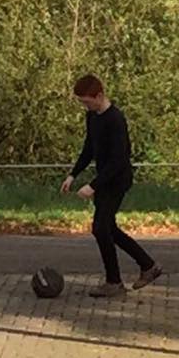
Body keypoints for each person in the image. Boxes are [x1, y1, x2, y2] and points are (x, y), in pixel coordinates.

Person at [61, 74, 161, 298]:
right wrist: (73, 174)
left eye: (87, 102)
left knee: (100, 228)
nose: (84, 107)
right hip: (104, 179)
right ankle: (147, 266)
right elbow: (89, 148)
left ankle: (114, 282)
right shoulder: (92, 117)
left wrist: (93, 186)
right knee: (108, 229)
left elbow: (119, 160)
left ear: (99, 95)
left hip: (117, 180)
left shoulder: (116, 119)